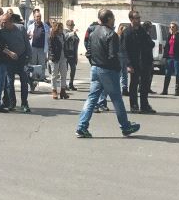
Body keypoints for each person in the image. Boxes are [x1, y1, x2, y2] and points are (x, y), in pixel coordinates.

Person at [75, 9, 140, 139]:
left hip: (96, 68)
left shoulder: (93, 32)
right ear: (109, 19)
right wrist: (117, 69)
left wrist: (94, 62)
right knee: (116, 99)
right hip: (108, 70)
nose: (114, 20)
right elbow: (112, 56)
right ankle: (125, 127)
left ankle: (81, 126)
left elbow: (88, 52)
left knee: (92, 98)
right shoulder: (111, 34)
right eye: (113, 18)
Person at [121, 10, 155, 114]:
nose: (139, 20)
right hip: (134, 62)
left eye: (139, 17)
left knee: (145, 84)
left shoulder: (142, 30)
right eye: (136, 18)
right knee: (134, 84)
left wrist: (148, 45)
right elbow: (124, 49)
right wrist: (128, 64)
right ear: (131, 19)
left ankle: (144, 105)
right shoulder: (127, 32)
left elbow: (150, 43)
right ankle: (134, 105)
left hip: (145, 62)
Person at [1, 13, 32, 113]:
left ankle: (24, 103)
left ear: (10, 22)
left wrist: (29, 57)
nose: (2, 24)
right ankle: (12, 103)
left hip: (22, 58)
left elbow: (27, 43)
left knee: (24, 81)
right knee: (10, 82)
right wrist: (9, 53)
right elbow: (0, 46)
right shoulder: (2, 31)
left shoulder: (21, 28)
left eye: (4, 22)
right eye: (1, 22)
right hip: (9, 59)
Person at [162, 22, 179, 96]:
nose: (171, 28)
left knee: (177, 73)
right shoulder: (169, 35)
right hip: (169, 57)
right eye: (170, 27)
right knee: (167, 73)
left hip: (177, 57)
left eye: (173, 27)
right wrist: (165, 56)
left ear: (176, 27)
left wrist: (176, 34)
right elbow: (167, 46)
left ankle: (177, 90)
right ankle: (165, 90)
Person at [47, 21, 69, 99]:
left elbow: (64, 46)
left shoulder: (62, 35)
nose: (61, 29)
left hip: (63, 57)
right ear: (56, 28)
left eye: (62, 28)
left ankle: (63, 91)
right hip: (55, 58)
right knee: (54, 75)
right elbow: (50, 48)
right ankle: (54, 90)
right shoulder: (52, 36)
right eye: (60, 28)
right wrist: (52, 57)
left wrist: (66, 55)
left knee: (64, 74)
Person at [27, 9, 47, 89]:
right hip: (33, 48)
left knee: (42, 64)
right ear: (34, 18)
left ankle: (41, 78)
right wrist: (29, 35)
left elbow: (48, 38)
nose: (38, 18)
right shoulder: (31, 26)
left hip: (42, 48)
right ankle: (33, 79)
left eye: (40, 17)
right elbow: (27, 36)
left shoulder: (45, 26)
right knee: (33, 64)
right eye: (37, 17)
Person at [64, 19, 80, 91]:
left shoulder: (74, 33)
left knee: (73, 69)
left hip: (73, 53)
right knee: (65, 70)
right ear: (67, 25)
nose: (72, 26)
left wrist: (76, 56)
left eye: (72, 25)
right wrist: (73, 33)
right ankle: (64, 85)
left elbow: (77, 41)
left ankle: (71, 84)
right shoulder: (65, 31)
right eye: (70, 25)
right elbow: (66, 37)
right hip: (66, 53)